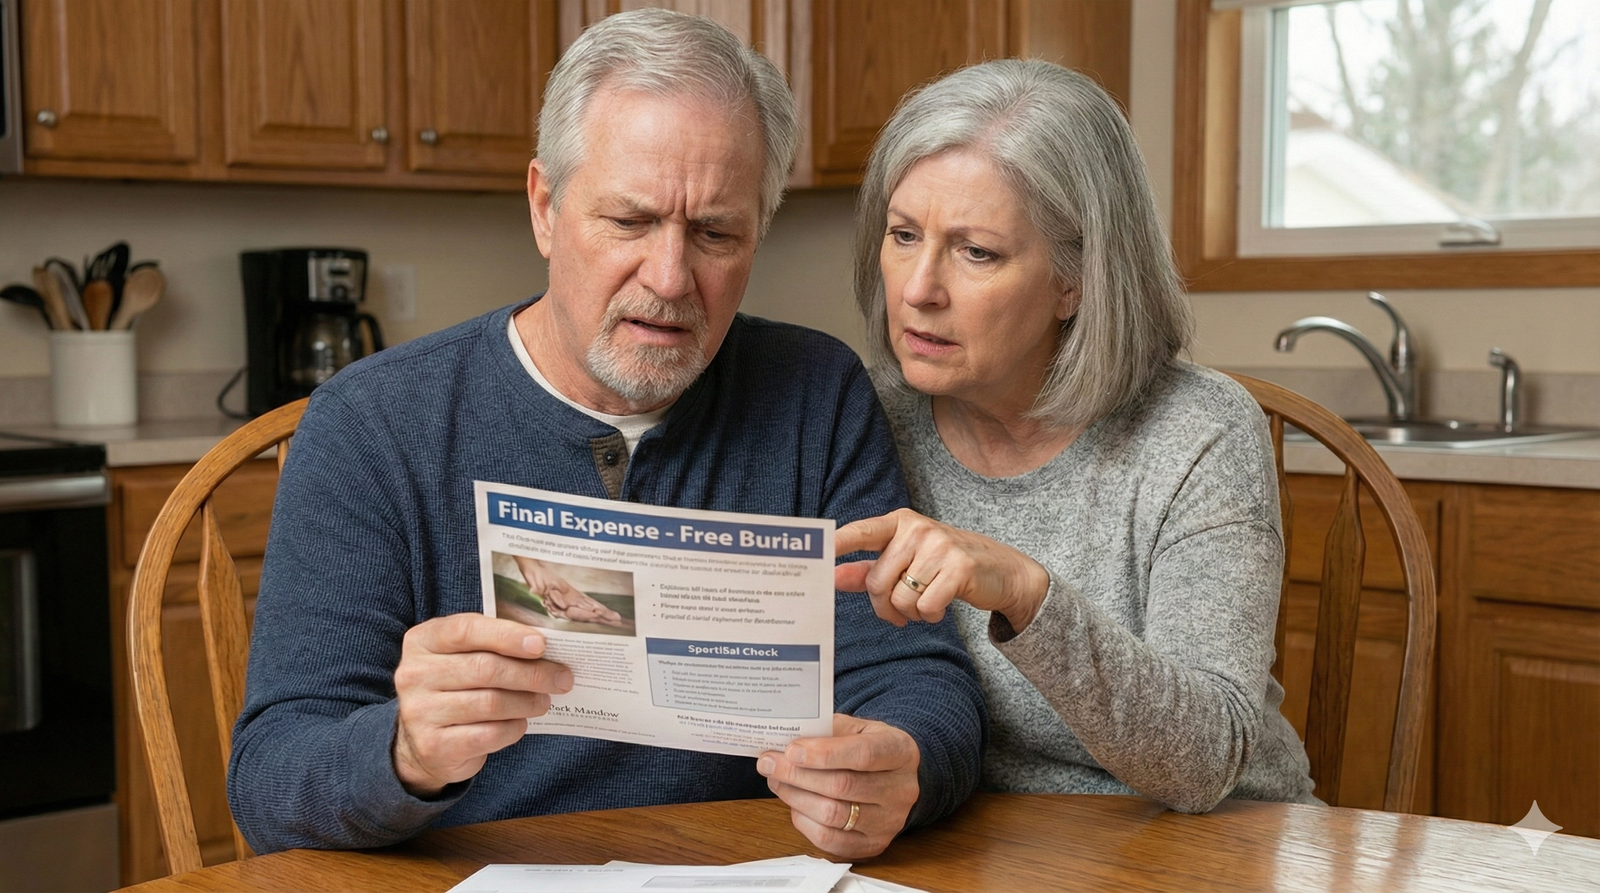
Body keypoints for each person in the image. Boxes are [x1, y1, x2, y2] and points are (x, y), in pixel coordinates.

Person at [229, 9, 984, 860]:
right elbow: (270, 780)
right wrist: (403, 750)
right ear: (546, 208)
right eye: (630, 221)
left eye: (715, 234)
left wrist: (900, 765)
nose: (669, 278)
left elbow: (920, 680)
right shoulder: (374, 424)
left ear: (757, 234)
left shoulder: (816, 393)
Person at [834, 59, 1317, 812]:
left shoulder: (1196, 432)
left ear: (1076, 279)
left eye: (977, 251)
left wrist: (1026, 593)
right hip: (984, 847)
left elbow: (1205, 762)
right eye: (903, 235)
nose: (919, 288)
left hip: (1216, 844)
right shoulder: (866, 418)